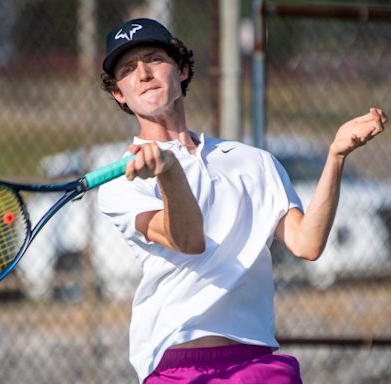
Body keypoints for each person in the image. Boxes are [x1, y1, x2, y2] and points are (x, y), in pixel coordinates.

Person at [97, 18, 387, 384]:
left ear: (182, 69)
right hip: (177, 367)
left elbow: (307, 243)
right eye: (127, 69)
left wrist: (336, 156)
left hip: (258, 363)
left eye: (154, 58)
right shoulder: (121, 182)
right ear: (119, 94)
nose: (143, 73)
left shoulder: (255, 161)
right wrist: (168, 171)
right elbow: (188, 240)